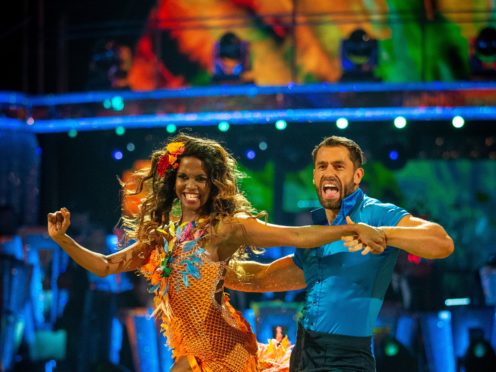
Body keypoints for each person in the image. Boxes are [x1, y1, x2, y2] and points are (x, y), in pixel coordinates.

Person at [47, 134, 387, 371]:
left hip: (227, 353)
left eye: (202, 178)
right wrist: (63, 240)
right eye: (184, 177)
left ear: (214, 184)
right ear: (173, 181)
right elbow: (106, 265)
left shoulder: (226, 227)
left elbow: (295, 234)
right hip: (191, 355)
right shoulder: (162, 238)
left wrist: (351, 228)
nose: (191, 185)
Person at [225, 135, 454, 371]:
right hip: (304, 356)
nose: (328, 172)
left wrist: (382, 235)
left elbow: (441, 242)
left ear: (357, 176)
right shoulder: (317, 231)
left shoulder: (376, 213)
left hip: (346, 359)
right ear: (314, 176)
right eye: (322, 166)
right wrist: (207, 267)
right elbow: (264, 278)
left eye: (338, 166)